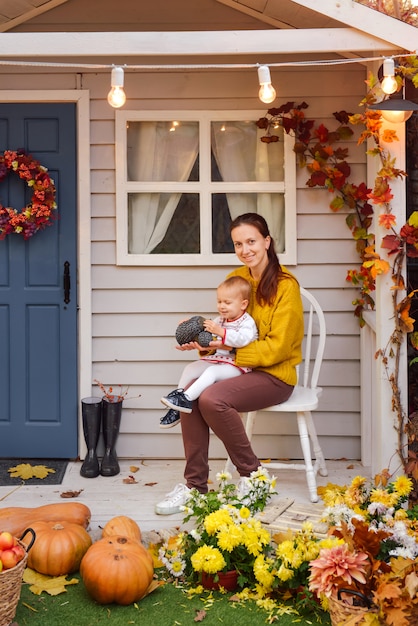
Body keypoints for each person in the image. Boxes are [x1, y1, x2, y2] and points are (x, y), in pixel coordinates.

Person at [155, 212, 304, 515]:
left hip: (274, 375)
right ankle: (194, 487)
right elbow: (228, 327)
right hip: (239, 369)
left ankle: (253, 477)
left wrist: (227, 349)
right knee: (190, 394)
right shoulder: (237, 278)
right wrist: (201, 341)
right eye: (238, 243)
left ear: (266, 241)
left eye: (251, 241)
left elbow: (279, 348)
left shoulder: (286, 286)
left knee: (212, 398)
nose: (245, 249)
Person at [159, 276, 258, 428]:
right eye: (219, 301)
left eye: (227, 302)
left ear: (243, 304)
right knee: (191, 368)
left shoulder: (247, 322)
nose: (222, 306)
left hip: (238, 366)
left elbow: (242, 340)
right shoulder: (220, 320)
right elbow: (207, 336)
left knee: (211, 372)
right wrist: (189, 327)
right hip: (219, 359)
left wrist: (221, 332)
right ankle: (177, 407)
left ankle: (186, 399)